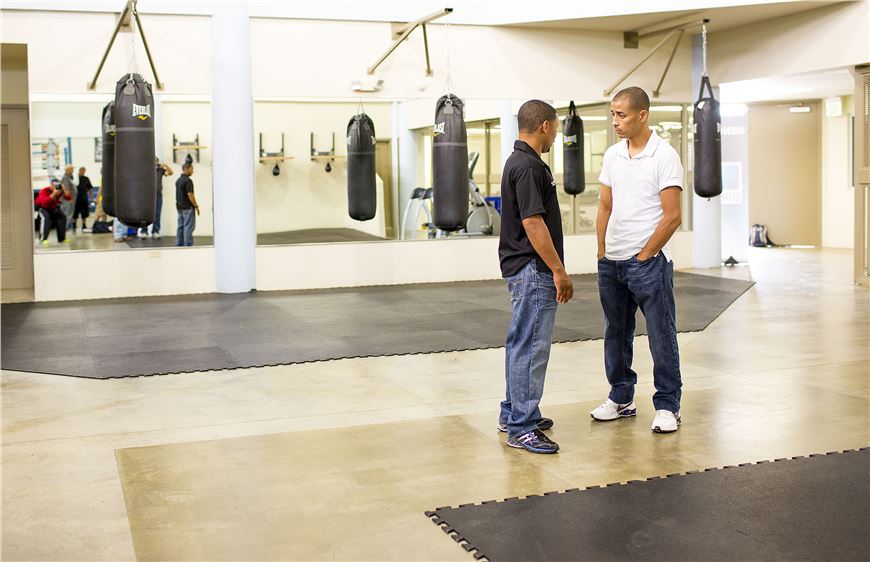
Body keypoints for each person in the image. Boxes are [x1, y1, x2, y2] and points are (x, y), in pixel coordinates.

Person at [590, 86, 685, 434]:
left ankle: (668, 406)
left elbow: (672, 215)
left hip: (648, 263)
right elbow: (605, 206)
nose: (615, 121)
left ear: (642, 115)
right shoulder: (613, 155)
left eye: (622, 114)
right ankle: (621, 396)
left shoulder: (664, 155)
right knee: (615, 333)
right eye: (612, 114)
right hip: (611, 262)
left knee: (661, 333)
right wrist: (602, 250)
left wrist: (645, 254)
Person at [497, 100, 574, 455]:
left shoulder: (520, 161)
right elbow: (532, 222)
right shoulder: (528, 166)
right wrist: (558, 270)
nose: (558, 133)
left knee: (521, 341)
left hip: (522, 267)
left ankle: (514, 411)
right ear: (545, 125)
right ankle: (522, 427)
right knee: (532, 346)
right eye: (556, 127)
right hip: (533, 269)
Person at [139, 158, 173, 240]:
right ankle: (144, 231)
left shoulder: (161, 170)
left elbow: (171, 173)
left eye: (156, 162)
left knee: (157, 214)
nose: (155, 164)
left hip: (158, 194)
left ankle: (155, 232)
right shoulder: (146, 169)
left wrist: (164, 165)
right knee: (145, 213)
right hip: (147, 195)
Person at [35, 179, 72, 246]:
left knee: (62, 217)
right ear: (51, 185)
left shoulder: (60, 190)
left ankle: (62, 238)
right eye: (54, 186)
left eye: (57, 185)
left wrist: (64, 189)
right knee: (46, 218)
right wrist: (54, 194)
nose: (56, 187)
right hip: (43, 208)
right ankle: (43, 239)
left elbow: (68, 198)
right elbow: (44, 203)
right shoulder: (44, 191)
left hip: (53, 208)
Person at [175, 162, 199, 246]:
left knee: (180, 226)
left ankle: (179, 244)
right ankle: (188, 245)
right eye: (191, 169)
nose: (193, 171)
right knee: (188, 227)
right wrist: (196, 205)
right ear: (186, 169)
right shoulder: (188, 181)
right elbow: (190, 194)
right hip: (188, 207)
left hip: (179, 207)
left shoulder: (178, 180)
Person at [73, 166, 93, 232]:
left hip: (84, 198)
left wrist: (91, 198)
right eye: (81, 170)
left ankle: (84, 225)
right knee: (75, 213)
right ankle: (74, 224)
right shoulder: (74, 178)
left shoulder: (86, 178)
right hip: (76, 199)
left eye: (84, 171)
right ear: (79, 170)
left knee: (84, 213)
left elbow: (89, 188)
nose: (83, 172)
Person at [59, 165, 77, 232]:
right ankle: (63, 231)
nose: (73, 170)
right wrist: (70, 199)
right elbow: (66, 189)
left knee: (68, 216)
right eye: (72, 169)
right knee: (67, 216)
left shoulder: (69, 177)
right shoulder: (65, 178)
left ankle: (64, 231)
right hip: (68, 201)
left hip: (70, 201)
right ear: (68, 170)